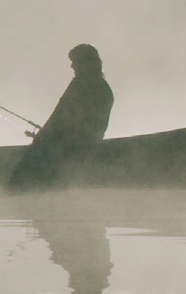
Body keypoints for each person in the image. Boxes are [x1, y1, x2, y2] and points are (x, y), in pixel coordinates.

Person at [9, 43, 113, 189]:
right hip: (88, 148)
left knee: (20, 181)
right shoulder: (105, 89)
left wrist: (41, 138)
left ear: (85, 62)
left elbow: (59, 117)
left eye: (75, 62)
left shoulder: (80, 85)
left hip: (65, 153)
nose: (72, 66)